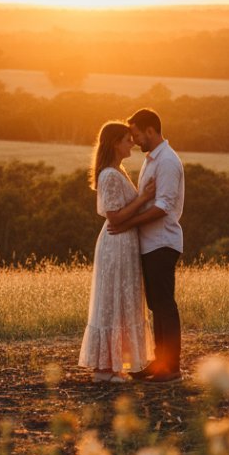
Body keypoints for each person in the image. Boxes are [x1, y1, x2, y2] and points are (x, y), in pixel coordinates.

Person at [77, 121, 156, 382]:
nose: (132, 142)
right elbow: (113, 218)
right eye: (126, 139)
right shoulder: (110, 175)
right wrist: (144, 199)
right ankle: (104, 369)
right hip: (116, 243)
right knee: (112, 300)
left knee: (121, 300)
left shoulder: (117, 170)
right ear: (114, 144)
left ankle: (112, 364)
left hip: (125, 243)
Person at [110, 108, 184, 383]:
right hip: (150, 242)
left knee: (164, 304)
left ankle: (172, 367)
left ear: (150, 130)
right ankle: (160, 362)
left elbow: (163, 206)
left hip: (163, 241)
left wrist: (128, 224)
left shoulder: (166, 161)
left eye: (137, 134)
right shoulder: (152, 160)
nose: (135, 139)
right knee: (156, 304)